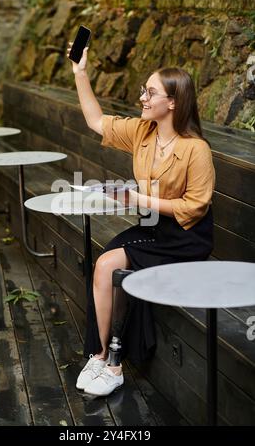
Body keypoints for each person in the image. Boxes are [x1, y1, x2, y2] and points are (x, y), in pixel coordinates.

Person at [67, 43, 215, 397]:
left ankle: (116, 364)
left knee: (118, 270)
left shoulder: (196, 149)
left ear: (174, 102)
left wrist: (138, 199)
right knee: (104, 265)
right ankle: (100, 355)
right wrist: (80, 73)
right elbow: (95, 120)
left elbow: (196, 206)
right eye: (143, 91)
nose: (143, 98)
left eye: (151, 92)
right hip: (152, 229)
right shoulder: (142, 133)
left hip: (186, 237)